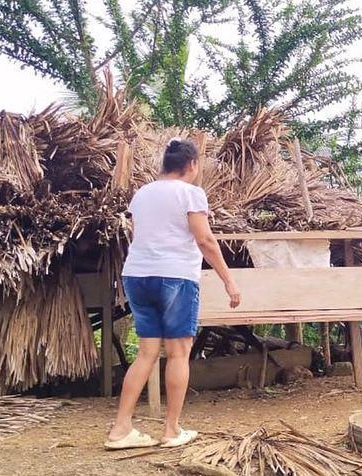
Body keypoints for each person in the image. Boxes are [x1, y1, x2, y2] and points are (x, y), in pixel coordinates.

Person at [105, 139, 242, 450]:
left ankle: (121, 429)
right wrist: (229, 281)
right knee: (179, 353)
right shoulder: (191, 193)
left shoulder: (142, 194)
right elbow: (205, 239)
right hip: (176, 277)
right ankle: (171, 430)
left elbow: (145, 234)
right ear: (191, 165)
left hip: (137, 275)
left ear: (165, 165)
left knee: (146, 353)